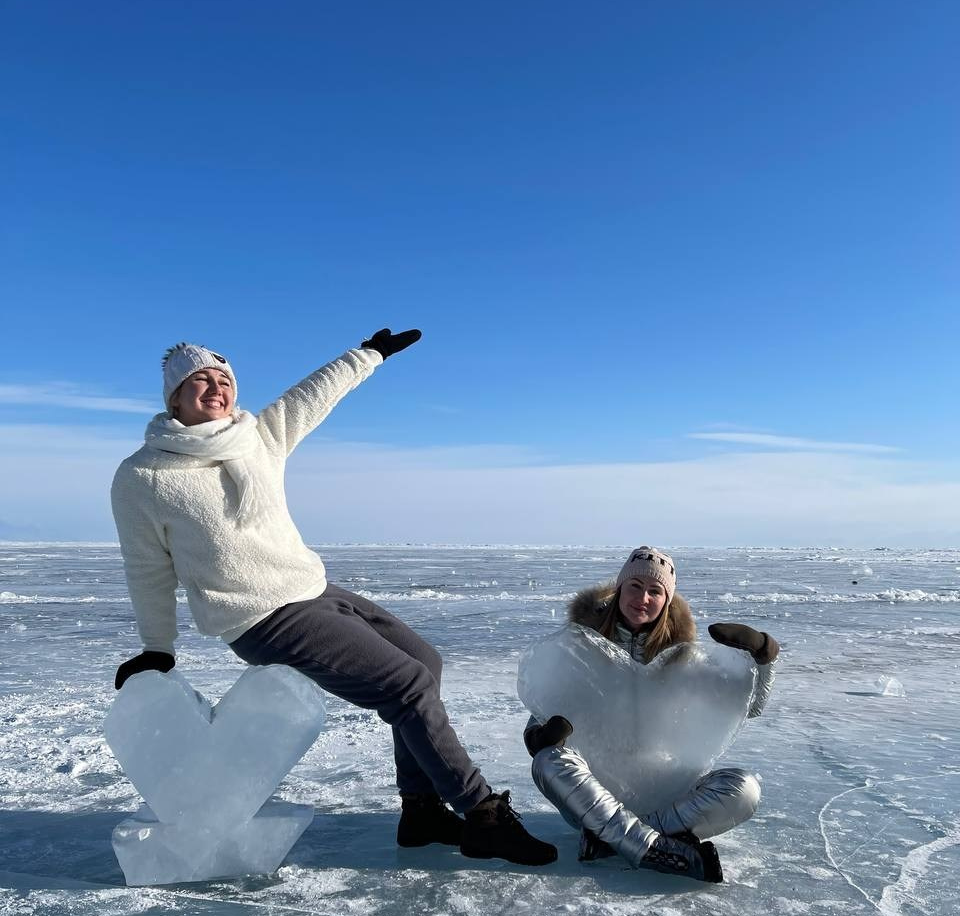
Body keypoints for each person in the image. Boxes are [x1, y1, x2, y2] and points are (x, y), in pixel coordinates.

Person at [110, 331, 557, 867]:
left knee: (425, 663)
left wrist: (368, 354)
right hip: (261, 618)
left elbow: (312, 395)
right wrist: (157, 646)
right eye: (200, 379)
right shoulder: (143, 476)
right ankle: (481, 814)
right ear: (174, 397)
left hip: (312, 589)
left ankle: (420, 813)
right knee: (407, 687)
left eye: (224, 379)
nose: (216, 387)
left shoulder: (256, 439)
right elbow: (147, 570)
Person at [523, 546, 779, 883]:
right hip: (593, 795)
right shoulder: (581, 650)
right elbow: (541, 714)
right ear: (619, 590)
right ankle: (650, 843)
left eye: (655, 591)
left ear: (666, 600)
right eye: (635, 586)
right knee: (547, 762)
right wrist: (538, 737)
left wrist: (763, 657)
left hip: (667, 792)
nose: (643, 598)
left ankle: (615, 840)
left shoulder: (684, 660)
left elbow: (750, 707)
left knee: (745, 789)